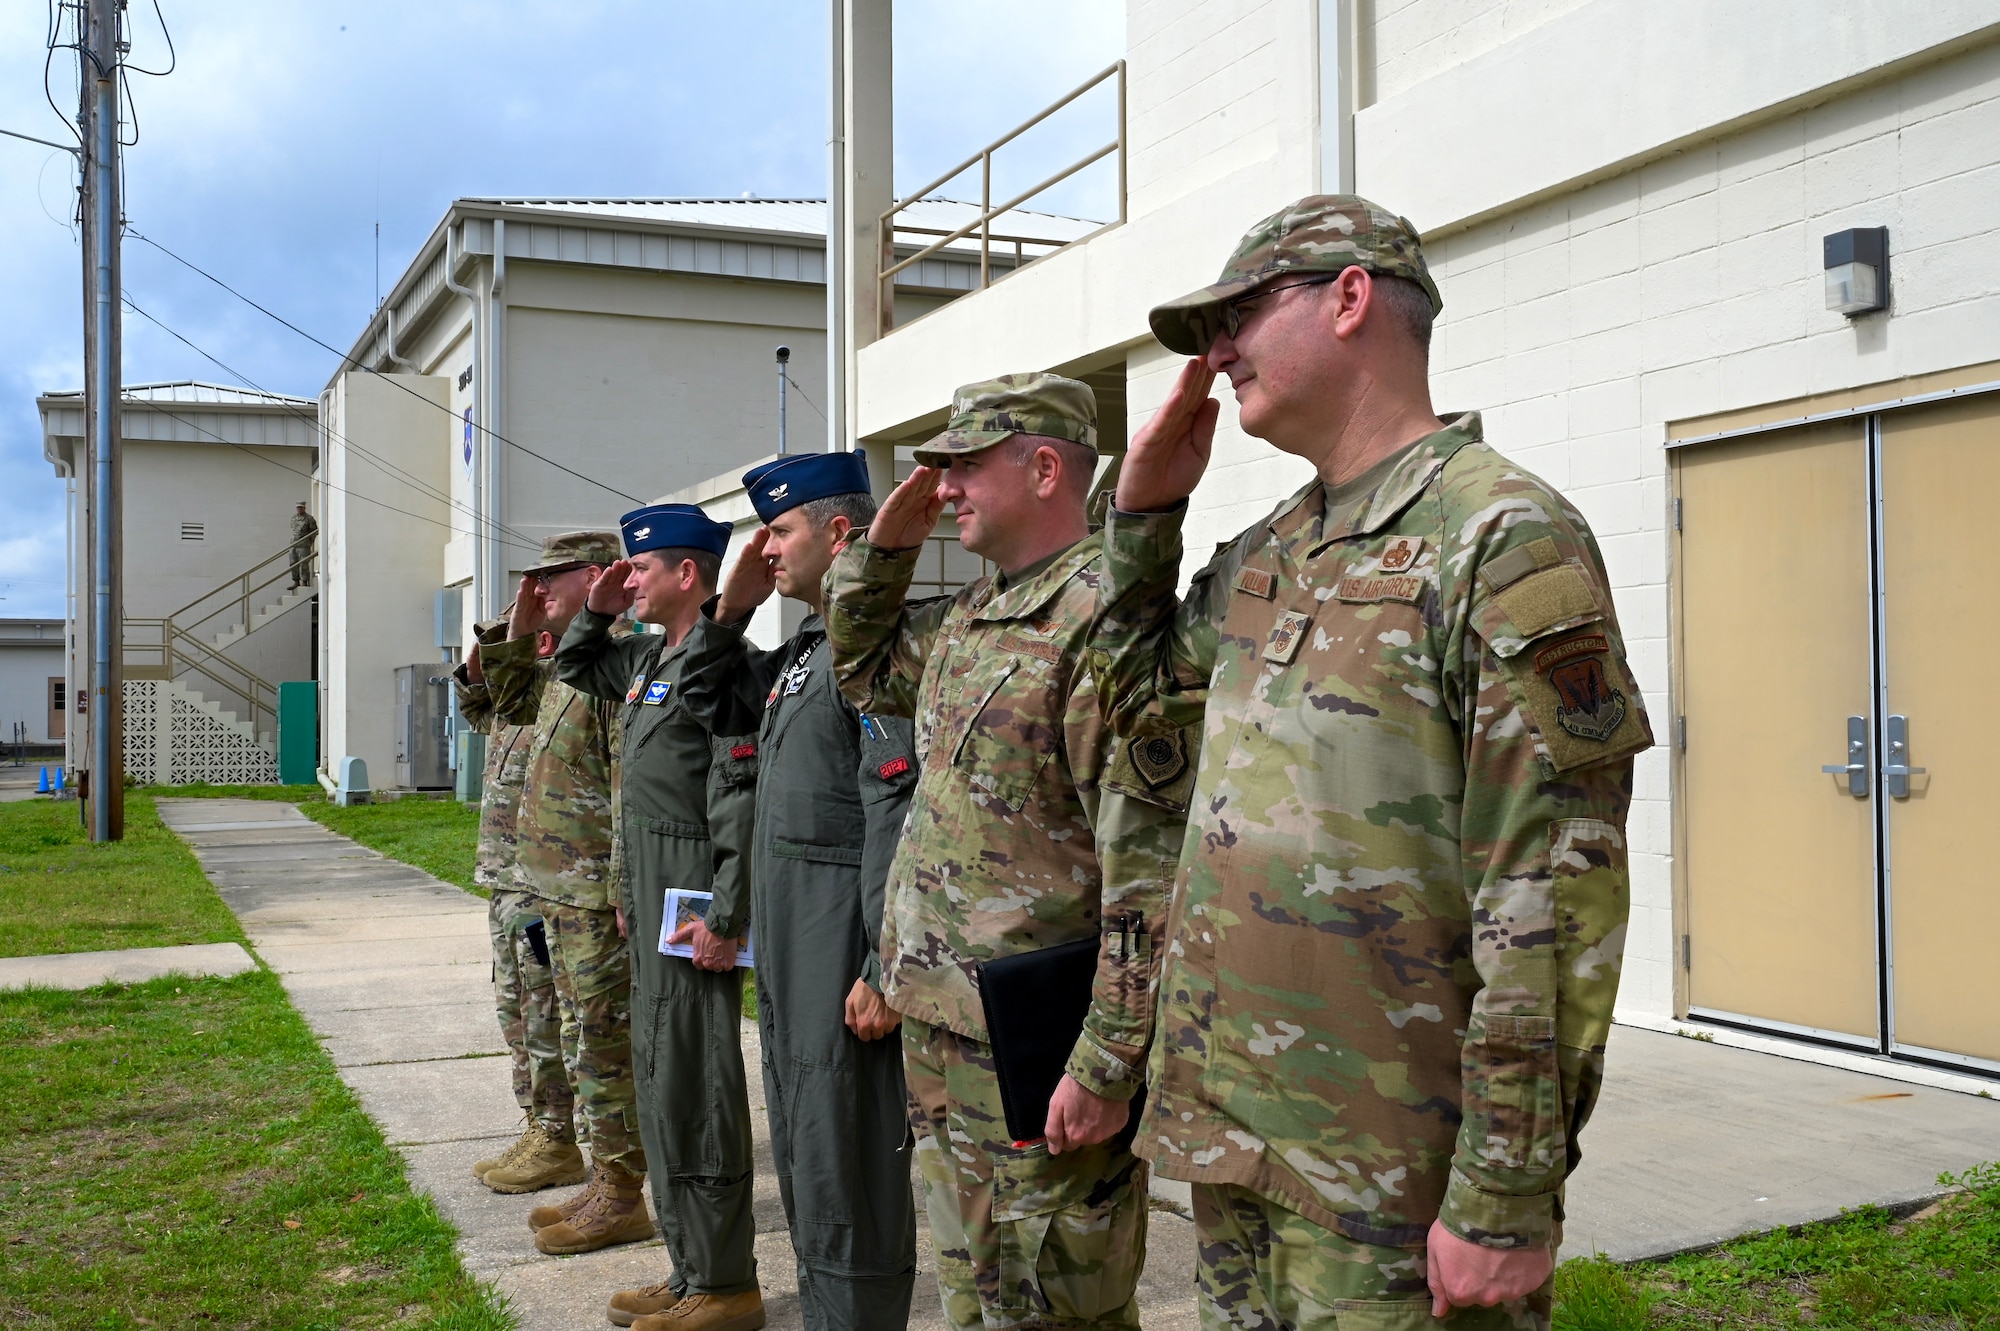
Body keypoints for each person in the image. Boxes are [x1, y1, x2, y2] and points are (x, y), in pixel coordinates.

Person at [1097, 194, 1653, 1329]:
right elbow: (1130, 717)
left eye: (1242, 310)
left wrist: (1501, 1195)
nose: (1216, 352)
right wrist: (1143, 515)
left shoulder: (1500, 537)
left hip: (1392, 1180)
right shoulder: (1266, 548)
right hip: (1237, 1142)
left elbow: (1551, 897)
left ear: (1350, 298)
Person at [823, 374, 1189, 1331]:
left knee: (1059, 1306)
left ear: (1041, 466)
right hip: (943, 1027)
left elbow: (1148, 870)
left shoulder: (1109, 618)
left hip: (1042, 1040)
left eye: (963, 466)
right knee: (974, 1301)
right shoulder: (970, 617)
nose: (944, 489)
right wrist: (886, 547)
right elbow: (859, 671)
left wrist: (1109, 1058)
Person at [675, 450, 920, 1331]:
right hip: (788, 939)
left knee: (846, 1158)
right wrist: (732, 604)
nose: (767, 547)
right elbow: (705, 697)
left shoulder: (875, 650)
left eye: (780, 530)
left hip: (837, 941)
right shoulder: (800, 655)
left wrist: (883, 961)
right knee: (811, 1155)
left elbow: (895, 803)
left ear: (841, 533)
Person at [556, 504, 765, 1331]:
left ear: (688, 574)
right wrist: (598, 606)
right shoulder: (648, 659)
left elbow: (738, 797)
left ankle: (725, 1281)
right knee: (658, 1077)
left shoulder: (725, 667)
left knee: (698, 1081)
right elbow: (577, 662)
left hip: (694, 889)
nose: (629, 578)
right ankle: (687, 1268)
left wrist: (728, 907)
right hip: (649, 887)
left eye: (640, 569)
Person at [478, 531, 651, 1255]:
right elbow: (503, 700)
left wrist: (619, 886)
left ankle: (621, 1191)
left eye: (552, 576)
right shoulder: (564, 660)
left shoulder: (618, 661)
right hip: (553, 884)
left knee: (602, 1044)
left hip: (591, 890)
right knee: (581, 1041)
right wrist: (520, 626)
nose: (538, 587)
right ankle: (605, 1178)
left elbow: (624, 784)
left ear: (596, 575)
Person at [452, 609, 581, 1195]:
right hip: (505, 877)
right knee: (515, 1011)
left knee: (545, 1013)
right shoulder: (517, 689)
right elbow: (475, 702)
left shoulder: (571, 682)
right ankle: (536, 1122)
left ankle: (558, 1136)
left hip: (542, 879)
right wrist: (493, 645)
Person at [289, 501, 318, 588]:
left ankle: (304, 581)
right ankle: (296, 581)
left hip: (304, 544)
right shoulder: (293, 517)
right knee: (293, 563)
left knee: (303, 564)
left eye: (301, 507)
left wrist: (309, 542)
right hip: (294, 543)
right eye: (298, 507)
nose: (299, 509)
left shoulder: (309, 518)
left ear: (304, 508)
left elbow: (314, 531)